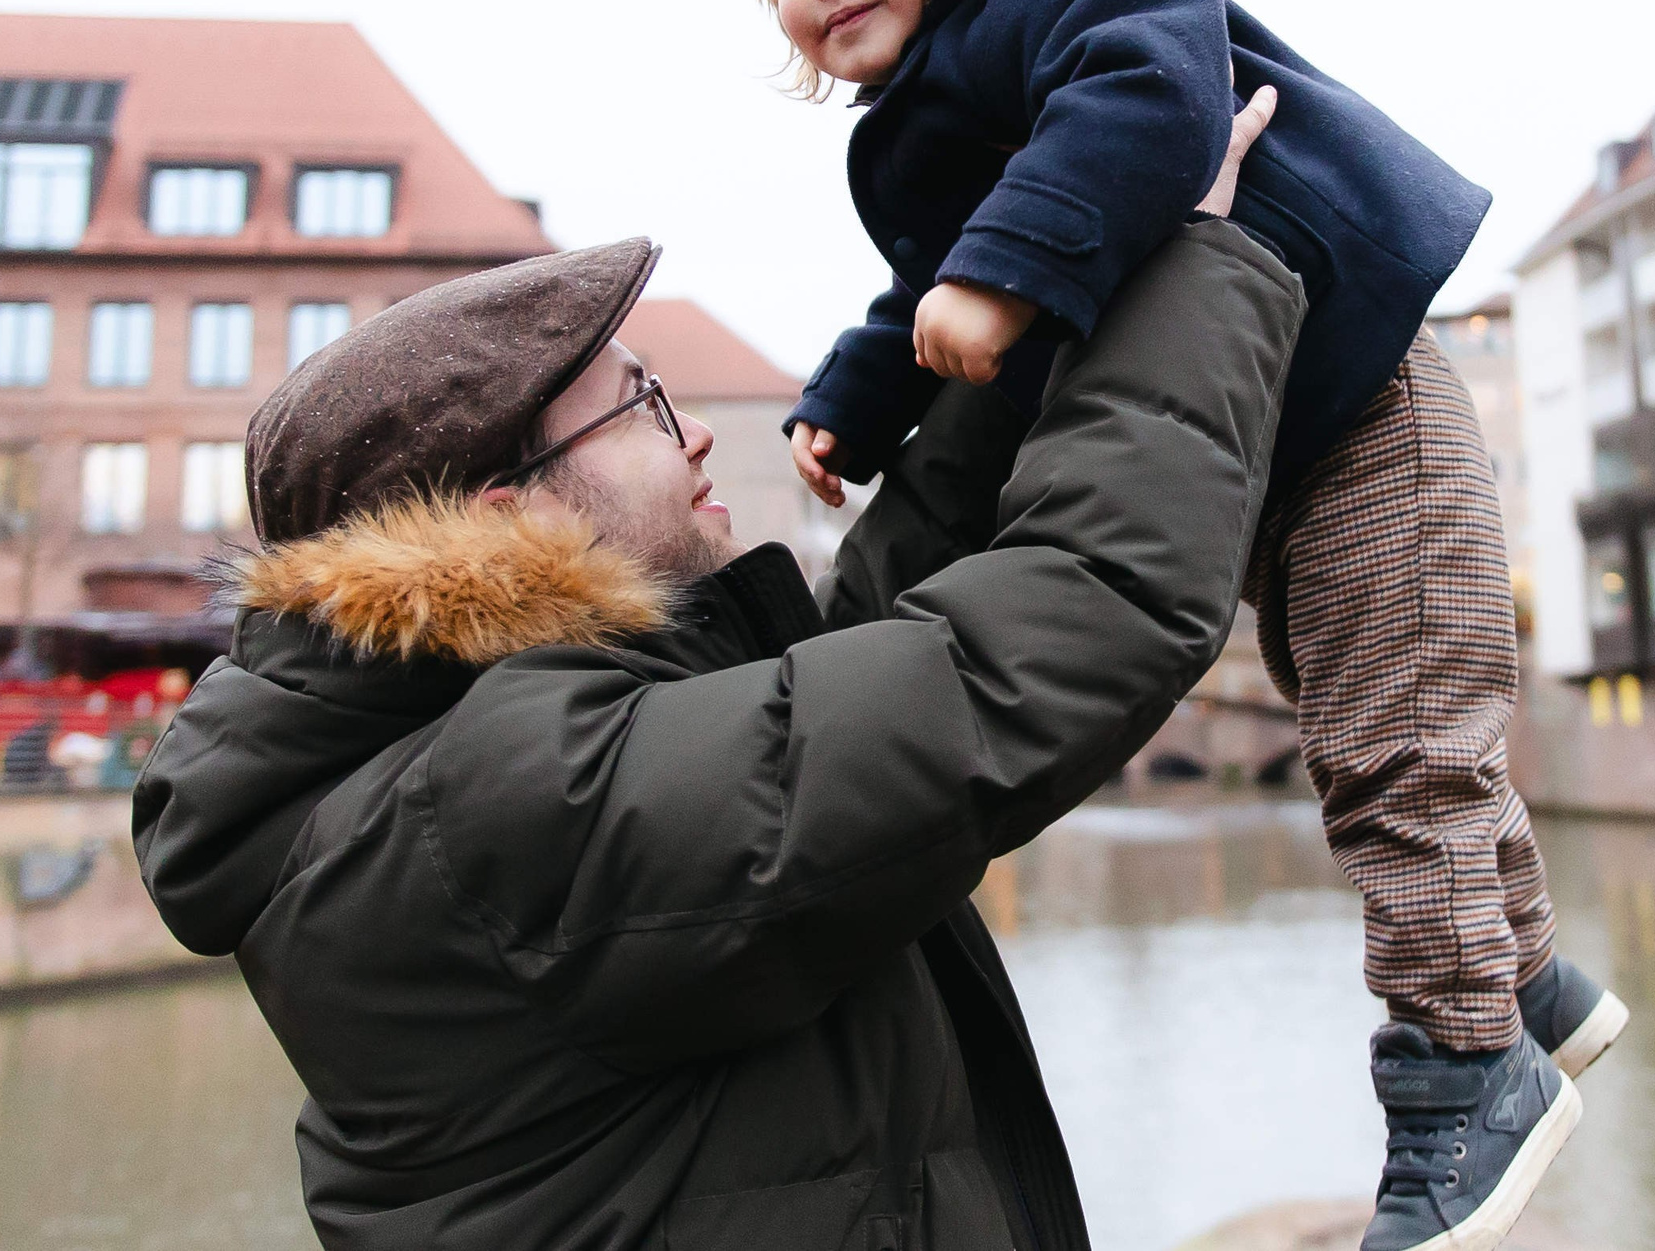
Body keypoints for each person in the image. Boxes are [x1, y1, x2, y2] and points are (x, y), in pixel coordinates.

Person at [731, 0, 1627, 1251]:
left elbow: (1142, 103)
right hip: (1266, 430)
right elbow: (930, 281)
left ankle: (1467, 1065)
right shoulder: (920, 112)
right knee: (1364, 716)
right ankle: (1527, 977)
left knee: (1401, 728)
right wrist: (856, 392)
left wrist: (989, 276)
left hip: (1355, 376)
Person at [131, 109, 1300, 1250]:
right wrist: (1197, 271)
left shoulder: (469, 762)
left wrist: (1028, 314)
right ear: (509, 516)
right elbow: (1047, 644)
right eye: (641, 403)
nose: (690, 433)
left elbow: (854, 659)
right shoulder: (502, 811)